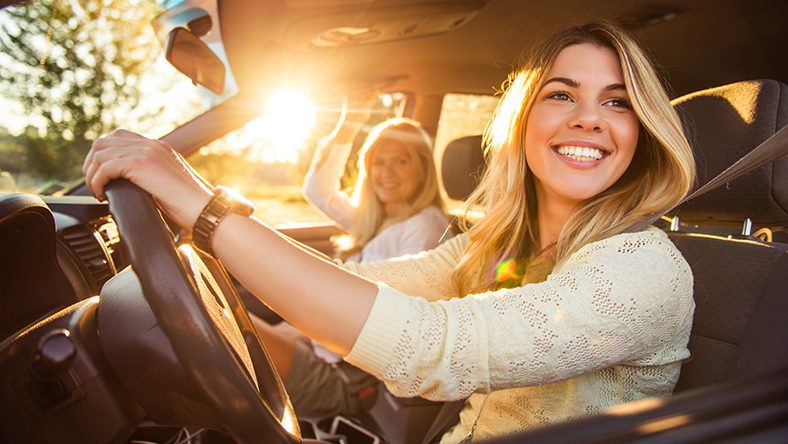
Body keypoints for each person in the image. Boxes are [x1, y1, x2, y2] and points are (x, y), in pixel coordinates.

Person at [83, 20, 696, 443]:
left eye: (617, 102)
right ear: (523, 123)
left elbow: (436, 350)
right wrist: (210, 266)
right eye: (562, 95)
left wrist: (202, 206)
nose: (589, 118)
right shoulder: (502, 246)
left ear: (641, 131)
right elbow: (355, 283)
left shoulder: (644, 271)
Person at [257, 100, 455, 417]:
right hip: (328, 349)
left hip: (353, 376)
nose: (386, 173)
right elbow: (318, 191)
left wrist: (306, 331)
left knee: (229, 329)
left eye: (400, 162)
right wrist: (349, 124)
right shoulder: (375, 220)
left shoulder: (425, 226)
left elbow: (392, 316)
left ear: (421, 170)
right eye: (378, 162)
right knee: (232, 325)